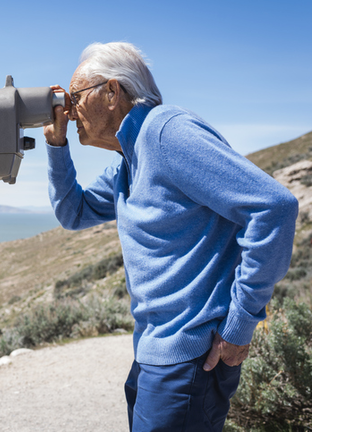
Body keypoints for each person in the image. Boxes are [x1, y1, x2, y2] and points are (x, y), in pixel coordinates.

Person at [43, 42, 298, 431]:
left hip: (189, 361)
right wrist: (56, 145)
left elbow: (274, 207)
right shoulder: (129, 162)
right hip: (155, 356)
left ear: (112, 93)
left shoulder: (165, 133)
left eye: (75, 97)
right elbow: (73, 212)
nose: (69, 109)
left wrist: (240, 325)